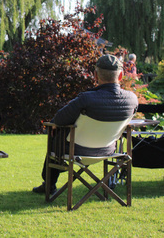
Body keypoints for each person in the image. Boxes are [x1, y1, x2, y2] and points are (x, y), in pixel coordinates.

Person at [32, 55, 138, 195]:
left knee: (55, 133)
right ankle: (49, 184)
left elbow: (59, 119)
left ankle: (49, 184)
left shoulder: (86, 99)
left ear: (95, 75)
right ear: (121, 76)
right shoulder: (132, 99)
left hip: (76, 150)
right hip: (109, 150)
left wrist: (53, 125)